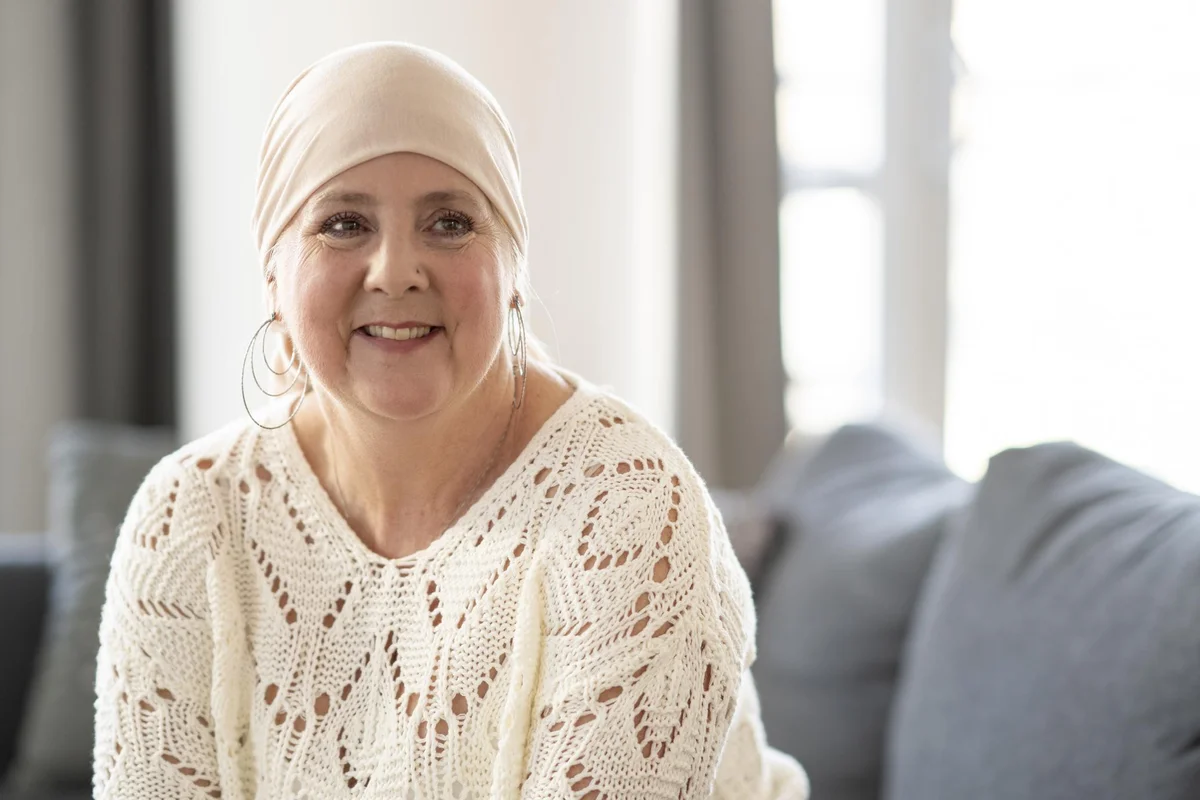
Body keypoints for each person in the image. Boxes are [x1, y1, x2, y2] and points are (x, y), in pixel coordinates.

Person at [91, 41, 808, 799]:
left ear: (514, 271)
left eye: (449, 223)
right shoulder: (188, 512)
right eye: (342, 224)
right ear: (274, 274)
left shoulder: (629, 509)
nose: (396, 270)